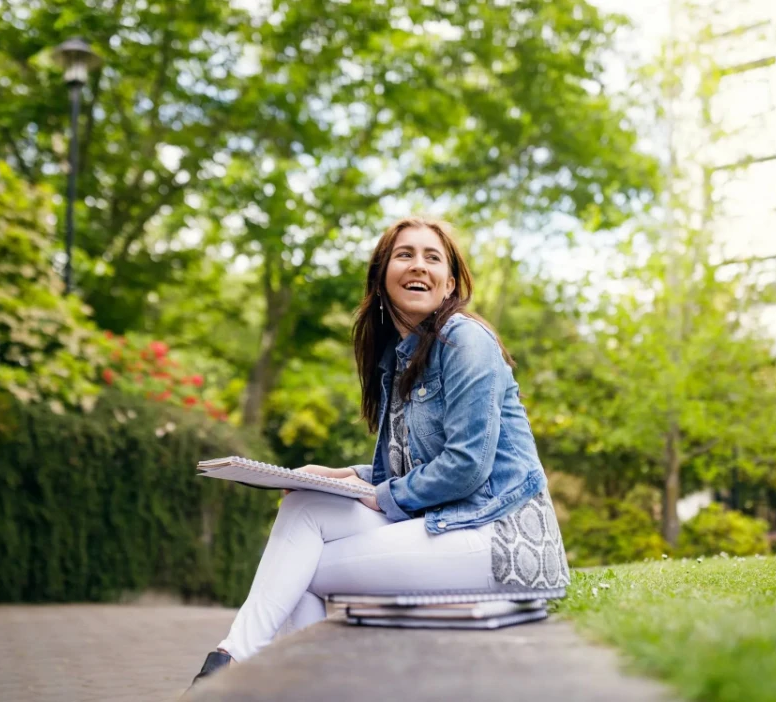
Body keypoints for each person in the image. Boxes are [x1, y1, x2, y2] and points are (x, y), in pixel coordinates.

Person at [180, 216, 568, 694]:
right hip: (453, 521)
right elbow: (409, 468)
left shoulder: (465, 340)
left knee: (302, 569)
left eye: (432, 257)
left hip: (503, 537)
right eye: (404, 254)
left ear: (450, 283)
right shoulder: (397, 361)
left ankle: (248, 674)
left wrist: (381, 495)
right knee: (305, 506)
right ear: (382, 274)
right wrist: (342, 474)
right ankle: (236, 660)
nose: (417, 265)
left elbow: (467, 465)